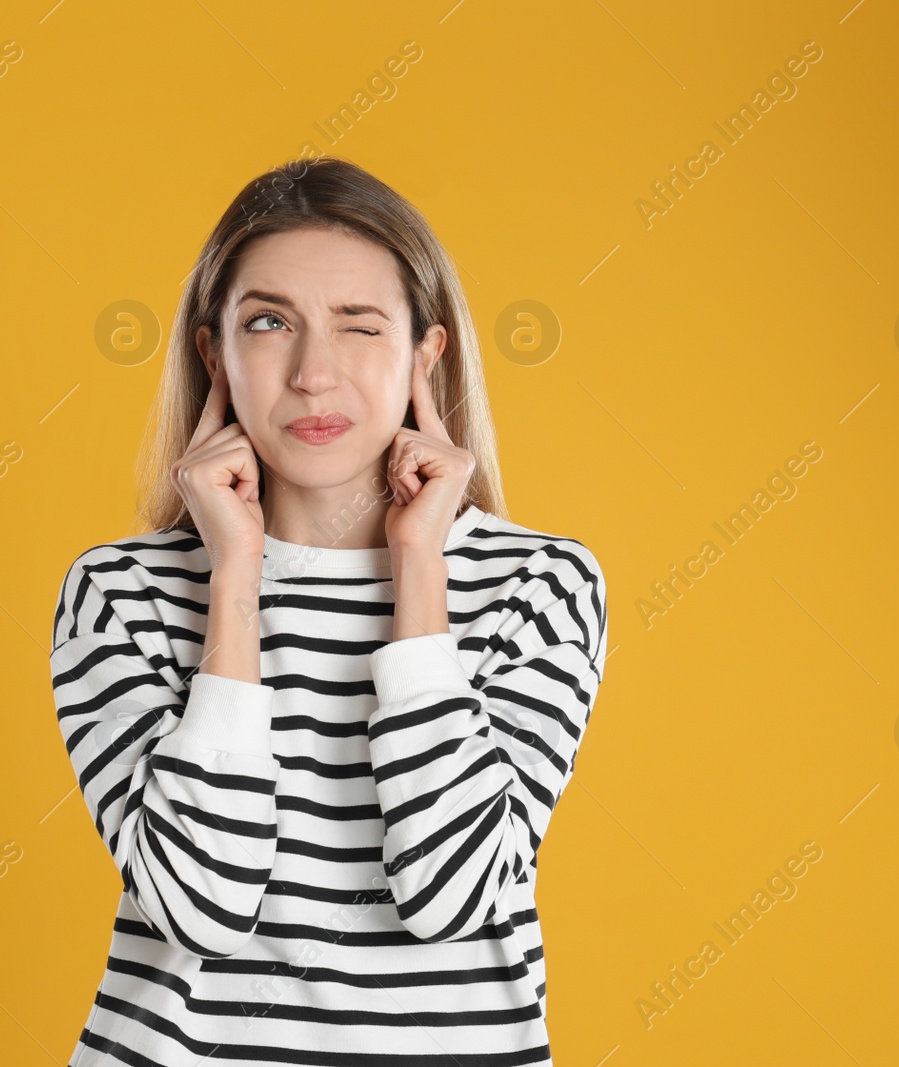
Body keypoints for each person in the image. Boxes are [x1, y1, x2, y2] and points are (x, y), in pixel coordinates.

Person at [50, 156, 608, 1065]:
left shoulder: (539, 584)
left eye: (360, 327)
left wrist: (418, 565)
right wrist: (235, 574)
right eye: (270, 323)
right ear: (214, 353)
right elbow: (203, 906)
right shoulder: (122, 594)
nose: (315, 374)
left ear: (425, 354)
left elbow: (452, 894)